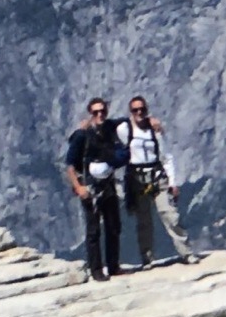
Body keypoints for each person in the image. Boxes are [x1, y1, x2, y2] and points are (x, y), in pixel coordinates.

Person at [117, 96, 199, 266]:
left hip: (157, 178)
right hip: (138, 180)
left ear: (146, 110)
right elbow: (109, 125)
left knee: (170, 215)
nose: (139, 112)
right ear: (130, 112)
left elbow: (166, 157)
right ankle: (147, 257)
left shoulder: (155, 132)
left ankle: (186, 252)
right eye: (135, 110)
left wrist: (172, 182)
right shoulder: (125, 129)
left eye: (142, 109)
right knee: (144, 220)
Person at [63, 98, 126, 281]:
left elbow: (127, 120)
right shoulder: (82, 135)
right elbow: (69, 165)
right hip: (90, 188)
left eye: (102, 112)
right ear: (90, 114)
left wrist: (151, 122)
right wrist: (78, 187)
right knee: (93, 230)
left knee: (113, 226)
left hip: (108, 184)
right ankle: (96, 270)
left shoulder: (109, 128)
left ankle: (113, 266)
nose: (100, 115)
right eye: (96, 112)